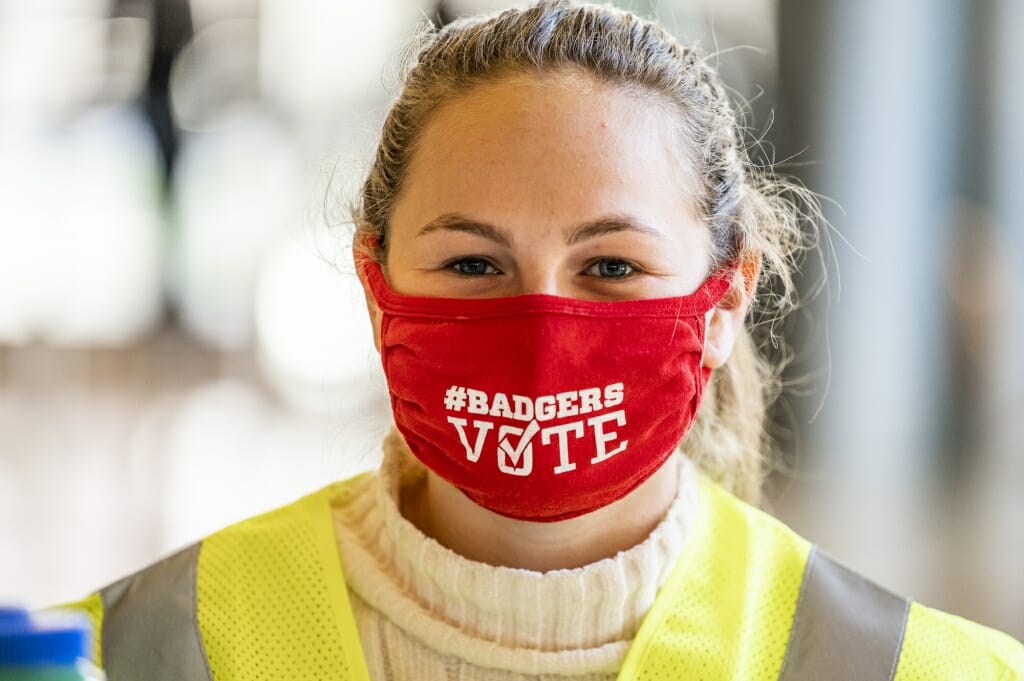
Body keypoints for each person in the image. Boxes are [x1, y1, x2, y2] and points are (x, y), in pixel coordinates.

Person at [62, 1, 1024, 679]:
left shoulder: (929, 672)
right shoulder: (124, 652)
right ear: (375, 281)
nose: (541, 325)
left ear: (727, 299)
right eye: (473, 264)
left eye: (611, 267)